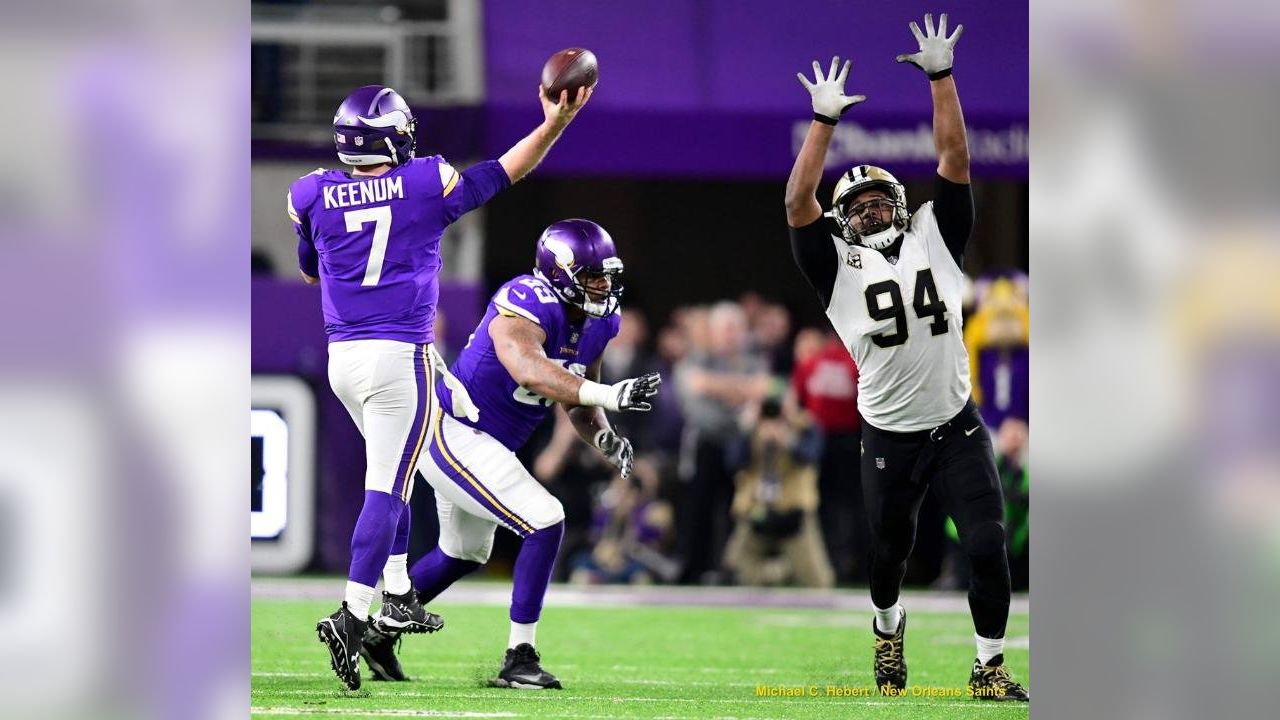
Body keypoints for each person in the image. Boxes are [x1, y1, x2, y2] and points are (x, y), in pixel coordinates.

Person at [293, 81, 592, 690]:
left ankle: (398, 589)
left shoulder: (311, 192)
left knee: (391, 472)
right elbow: (505, 171)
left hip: (342, 358)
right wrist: (554, 123)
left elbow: (307, 268)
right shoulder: (424, 181)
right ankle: (355, 611)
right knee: (388, 487)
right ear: (395, 136)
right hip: (398, 354)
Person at [785, 14, 1027, 701]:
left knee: (986, 542)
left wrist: (942, 79)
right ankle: (887, 632)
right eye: (854, 206)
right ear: (843, 222)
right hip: (889, 432)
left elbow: (955, 159)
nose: (868, 212)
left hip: (956, 421)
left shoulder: (935, 236)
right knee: (889, 554)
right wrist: (823, 124)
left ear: (897, 202)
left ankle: (989, 668)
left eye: (876, 200)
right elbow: (797, 200)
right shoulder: (837, 267)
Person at [380, 219, 660, 690]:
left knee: (464, 551)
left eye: (607, 276)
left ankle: (375, 630)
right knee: (546, 518)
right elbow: (530, 370)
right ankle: (519, 656)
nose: (604, 286)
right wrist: (610, 395)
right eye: (592, 276)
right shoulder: (525, 301)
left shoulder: (601, 320)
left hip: (488, 445)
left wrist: (606, 439)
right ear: (561, 272)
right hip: (455, 431)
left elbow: (576, 396)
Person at [722, 398, 834, 588]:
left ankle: (784, 569)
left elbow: (810, 456)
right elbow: (733, 463)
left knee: (818, 581)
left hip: (793, 512)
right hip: (757, 509)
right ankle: (775, 572)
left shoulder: (805, 425)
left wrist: (787, 438)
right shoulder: (751, 428)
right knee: (734, 568)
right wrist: (747, 431)